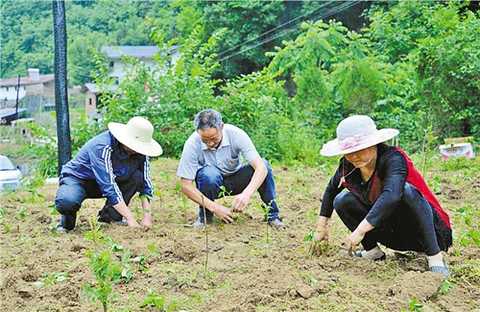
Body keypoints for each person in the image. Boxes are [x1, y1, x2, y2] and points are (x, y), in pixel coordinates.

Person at [313, 115, 452, 276]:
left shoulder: (393, 159)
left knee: (406, 191)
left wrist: (359, 232)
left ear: (374, 144)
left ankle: (435, 257)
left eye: (360, 150)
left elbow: (391, 196)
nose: (354, 156)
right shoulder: (348, 167)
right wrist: (321, 228)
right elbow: (331, 190)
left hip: (426, 232)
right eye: (349, 152)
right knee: (342, 200)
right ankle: (373, 252)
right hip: (393, 233)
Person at [177, 109, 285, 229]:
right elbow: (185, 185)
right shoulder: (192, 144)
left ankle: (273, 216)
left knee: (265, 165)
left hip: (237, 179)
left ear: (221, 127)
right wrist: (215, 207)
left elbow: (260, 168)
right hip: (211, 184)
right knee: (208, 174)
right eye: (205, 140)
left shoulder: (236, 134)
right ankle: (205, 218)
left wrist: (246, 194)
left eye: (213, 138)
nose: (210, 144)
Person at [54, 116, 163, 232]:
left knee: (137, 177)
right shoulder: (102, 146)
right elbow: (108, 185)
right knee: (68, 201)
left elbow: (145, 185)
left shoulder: (140, 153)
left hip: (108, 180)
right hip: (79, 180)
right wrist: (130, 218)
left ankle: (110, 218)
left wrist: (147, 217)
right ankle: (66, 224)